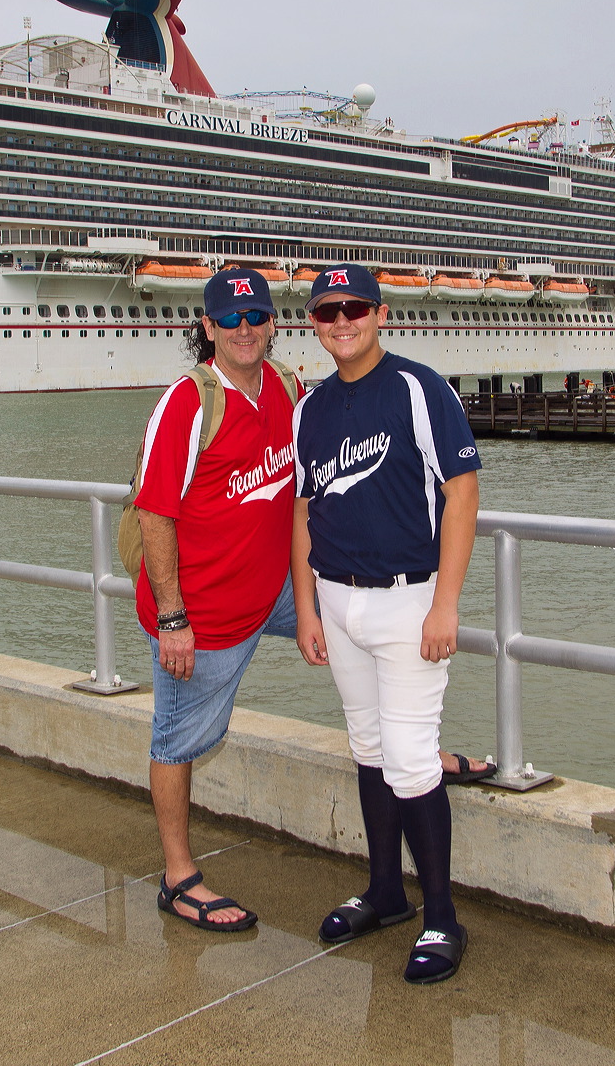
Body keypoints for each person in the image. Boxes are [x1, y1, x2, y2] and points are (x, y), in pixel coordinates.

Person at [290, 264, 482, 984]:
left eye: (355, 307)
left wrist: (446, 603)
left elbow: (463, 492)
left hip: (409, 599)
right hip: (337, 599)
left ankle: (442, 917)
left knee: (409, 758)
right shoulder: (309, 409)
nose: (342, 321)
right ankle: (384, 891)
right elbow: (302, 510)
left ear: (381, 313)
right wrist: (306, 606)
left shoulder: (418, 387)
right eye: (327, 311)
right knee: (368, 747)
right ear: (315, 323)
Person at [134, 267, 300, 931]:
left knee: (361, 622)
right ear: (207, 328)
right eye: (229, 319)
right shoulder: (188, 403)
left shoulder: (286, 386)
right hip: (203, 614)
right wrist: (173, 619)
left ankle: (414, 749)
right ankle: (178, 879)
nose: (244, 329)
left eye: (255, 317)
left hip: (274, 589)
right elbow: (154, 513)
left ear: (272, 323)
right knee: (177, 741)